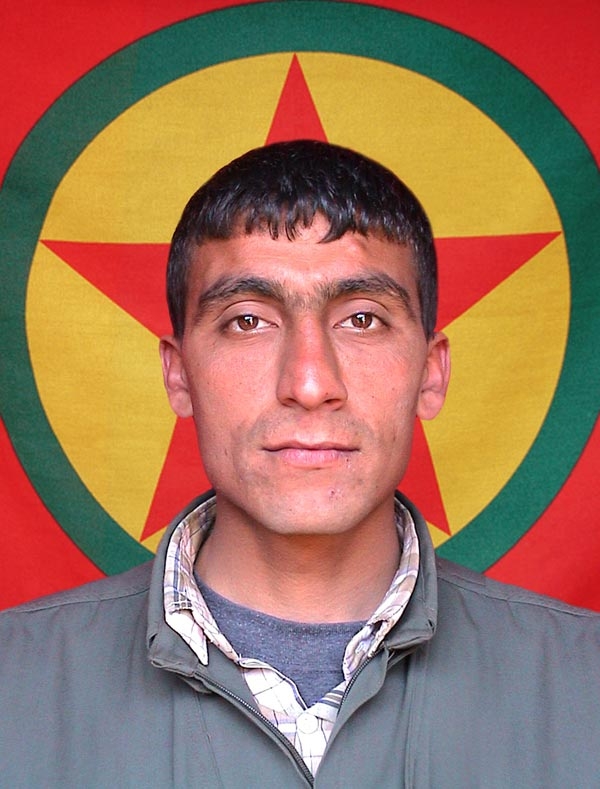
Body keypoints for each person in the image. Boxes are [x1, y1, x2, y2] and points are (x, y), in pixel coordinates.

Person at [0, 140, 598, 787]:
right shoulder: (14, 680)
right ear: (179, 375)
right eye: (248, 321)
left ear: (431, 372)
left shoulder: (583, 679)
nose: (310, 383)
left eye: (362, 319)